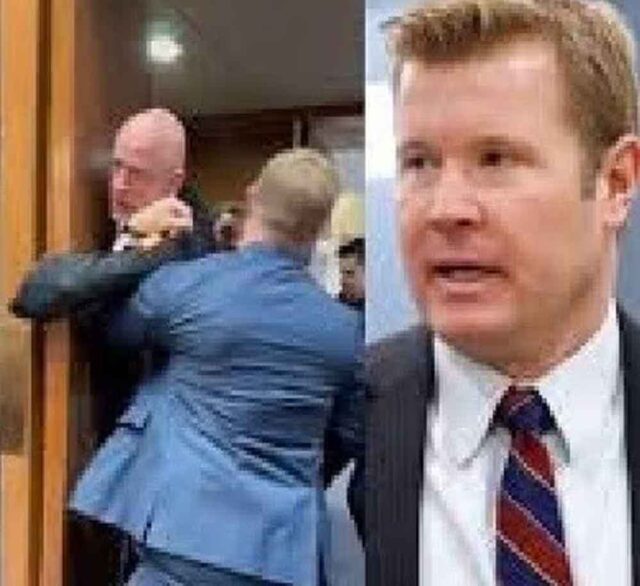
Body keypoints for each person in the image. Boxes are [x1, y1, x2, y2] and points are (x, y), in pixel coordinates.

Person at [362, 1, 640, 585]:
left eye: (496, 159)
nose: (445, 209)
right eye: (419, 162)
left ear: (615, 183)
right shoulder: (345, 412)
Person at [70, 148, 363, 586]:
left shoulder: (188, 285)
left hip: (181, 533)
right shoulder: (346, 331)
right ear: (320, 227)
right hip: (281, 553)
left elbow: (112, 333)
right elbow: (348, 435)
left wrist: (133, 241)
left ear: (253, 195)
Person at [10, 107, 216, 585]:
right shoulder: (141, 233)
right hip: (114, 456)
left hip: (159, 475)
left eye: (137, 173)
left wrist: (139, 244)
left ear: (174, 182)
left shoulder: (188, 248)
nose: (119, 185)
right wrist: (134, 240)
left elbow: (46, 296)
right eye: (116, 166)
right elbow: (37, 292)